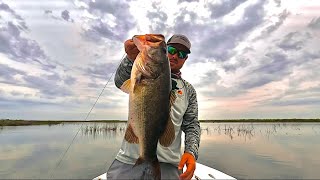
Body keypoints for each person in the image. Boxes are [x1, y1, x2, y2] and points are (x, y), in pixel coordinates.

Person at [107, 34, 200, 180]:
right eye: (170, 50)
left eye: (182, 54)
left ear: (185, 59)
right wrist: (130, 59)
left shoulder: (188, 90)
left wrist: (191, 152)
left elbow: (192, 125)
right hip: (129, 161)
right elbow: (120, 81)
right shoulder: (140, 72)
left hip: (168, 165)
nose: (175, 56)